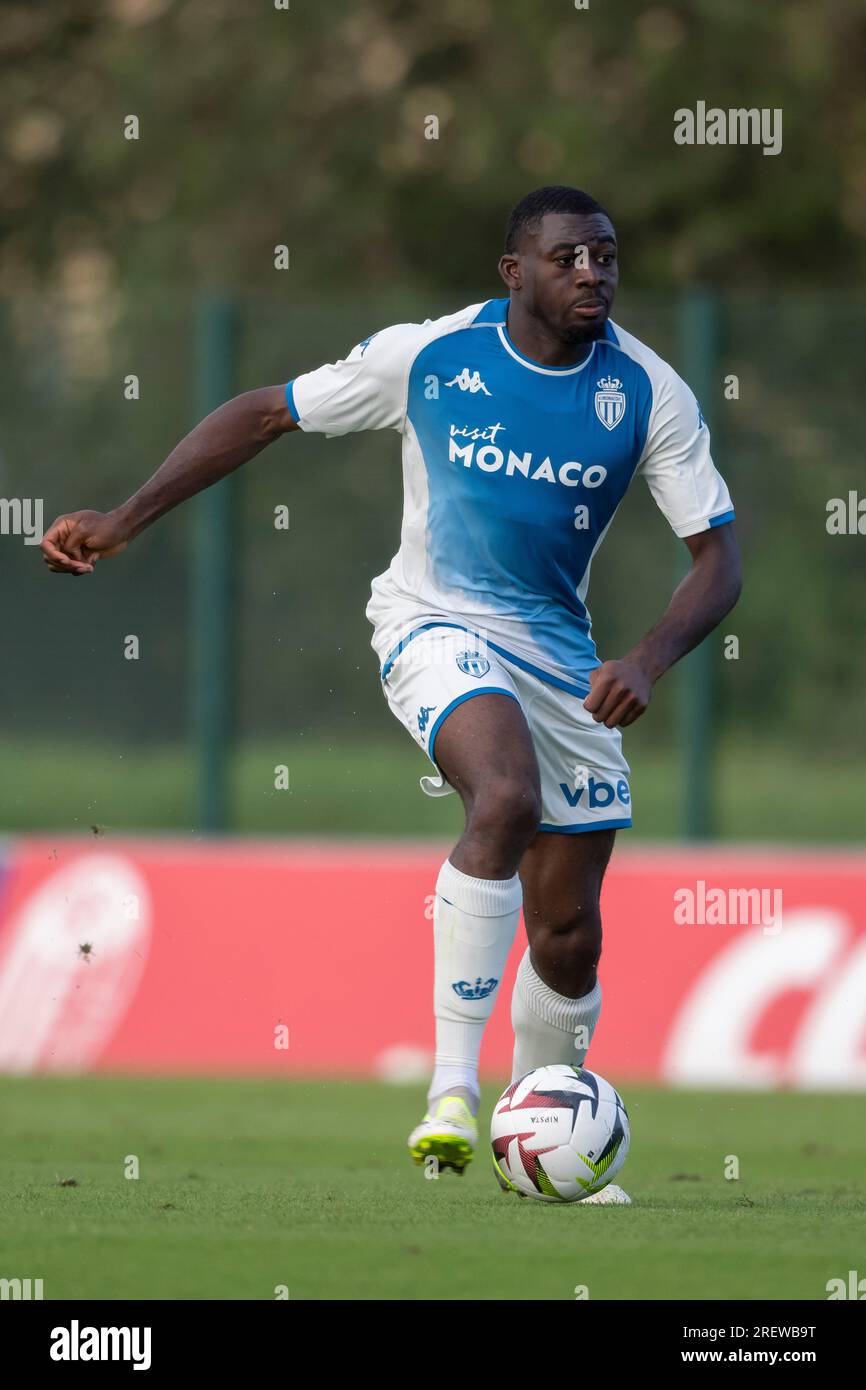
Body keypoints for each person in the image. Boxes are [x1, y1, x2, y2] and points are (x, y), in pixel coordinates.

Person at [41, 185, 742, 1203]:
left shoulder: (645, 392)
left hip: (560, 658)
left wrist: (647, 657)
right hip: (430, 622)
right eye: (565, 257)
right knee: (499, 797)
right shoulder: (428, 357)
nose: (591, 273)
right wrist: (127, 515)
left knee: (568, 930)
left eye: (604, 256)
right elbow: (262, 413)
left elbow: (716, 557)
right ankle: (448, 1092)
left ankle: (535, 1131)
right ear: (513, 272)